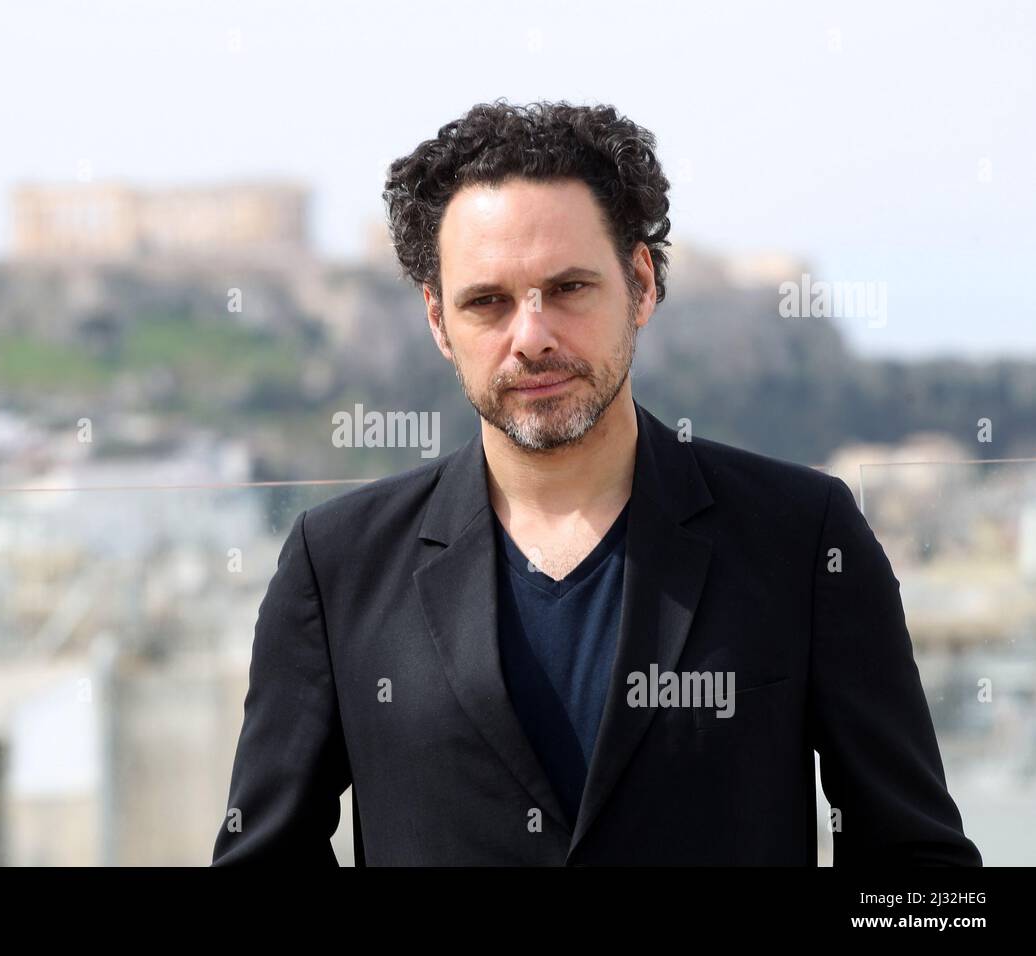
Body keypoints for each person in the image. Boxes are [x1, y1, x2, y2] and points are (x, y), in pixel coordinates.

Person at [211, 99, 982, 866]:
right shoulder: (337, 563)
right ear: (439, 322)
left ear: (641, 285)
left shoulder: (803, 535)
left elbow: (916, 866)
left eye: (570, 288)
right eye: (488, 302)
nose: (532, 336)